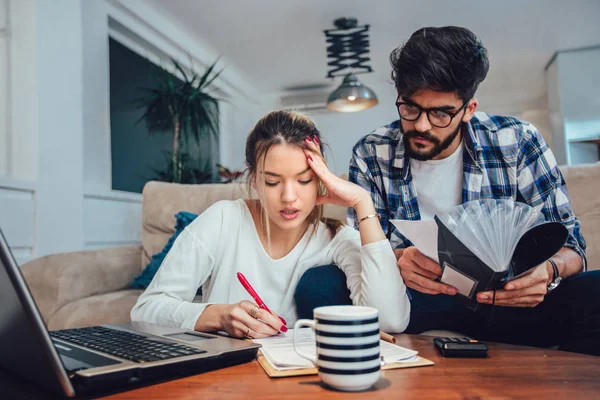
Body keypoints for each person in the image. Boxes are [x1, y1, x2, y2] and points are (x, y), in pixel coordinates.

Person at [295, 26, 600, 356]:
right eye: (410, 108)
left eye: (440, 112)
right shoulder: (372, 152)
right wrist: (396, 258)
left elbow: (574, 247)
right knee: (319, 284)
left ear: (468, 109)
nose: (422, 125)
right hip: (415, 300)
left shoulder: (518, 141)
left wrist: (550, 272)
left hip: (508, 300)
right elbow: (359, 248)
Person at [131, 110, 410, 338]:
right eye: (272, 182)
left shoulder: (336, 238)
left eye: (303, 180)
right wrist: (217, 315)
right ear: (254, 181)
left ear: (320, 179)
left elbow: (391, 320)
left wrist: (363, 202)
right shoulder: (222, 220)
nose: (289, 198)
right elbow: (145, 309)